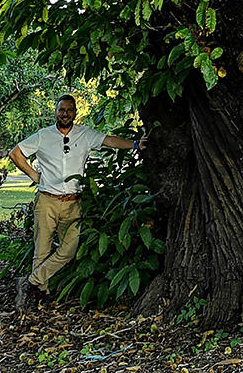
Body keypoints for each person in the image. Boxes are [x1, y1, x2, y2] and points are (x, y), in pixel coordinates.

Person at [9, 94, 145, 310]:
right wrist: (35, 176)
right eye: (61, 109)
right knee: (41, 250)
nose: (65, 113)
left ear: (75, 112)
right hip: (47, 201)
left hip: (73, 203)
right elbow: (15, 153)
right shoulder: (43, 136)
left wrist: (135, 144)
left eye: (69, 110)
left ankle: (31, 282)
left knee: (69, 250)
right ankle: (38, 297)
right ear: (55, 111)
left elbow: (109, 140)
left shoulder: (85, 134)